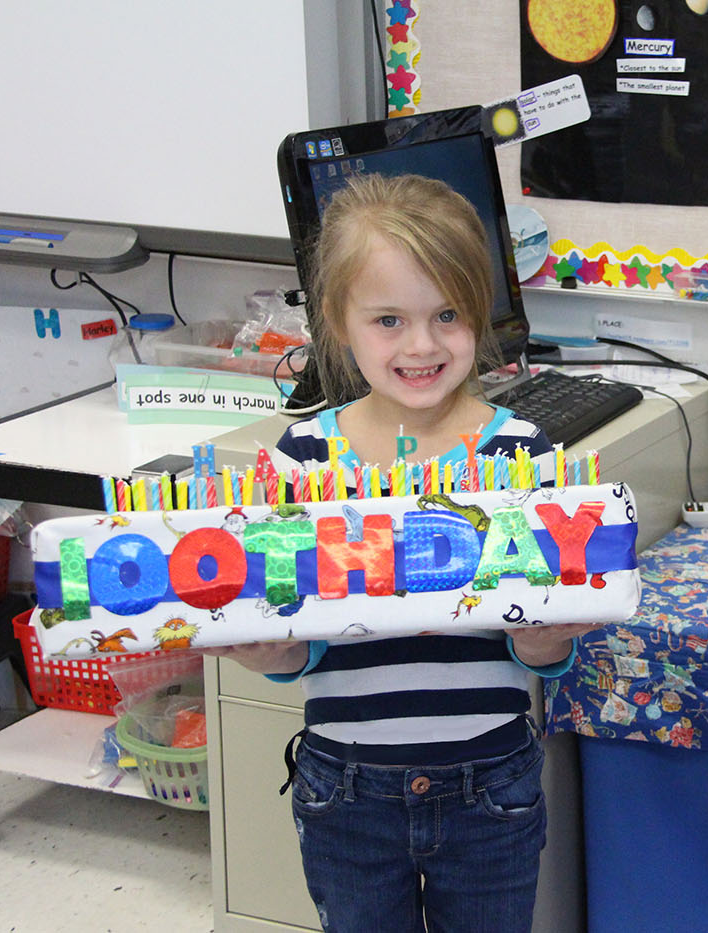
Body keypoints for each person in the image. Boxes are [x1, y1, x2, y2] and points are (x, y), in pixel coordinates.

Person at [206, 172, 598, 932]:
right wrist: (263, 651)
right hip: (344, 789)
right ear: (339, 322)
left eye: (447, 314)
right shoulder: (303, 460)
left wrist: (546, 641)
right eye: (389, 319)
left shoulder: (523, 455)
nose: (422, 344)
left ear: (479, 313)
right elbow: (301, 652)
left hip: (492, 783)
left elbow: (540, 652)